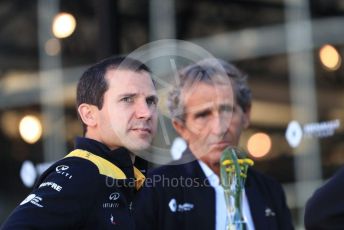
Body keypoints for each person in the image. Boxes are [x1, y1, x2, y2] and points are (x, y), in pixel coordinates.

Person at [134, 58, 294, 230]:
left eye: (227, 110)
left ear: (246, 115)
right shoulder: (154, 190)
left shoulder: (269, 191)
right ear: (181, 127)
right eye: (203, 115)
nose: (219, 128)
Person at [1, 56, 158, 229]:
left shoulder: (137, 179)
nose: (146, 112)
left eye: (150, 101)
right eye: (127, 99)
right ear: (89, 115)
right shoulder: (82, 173)